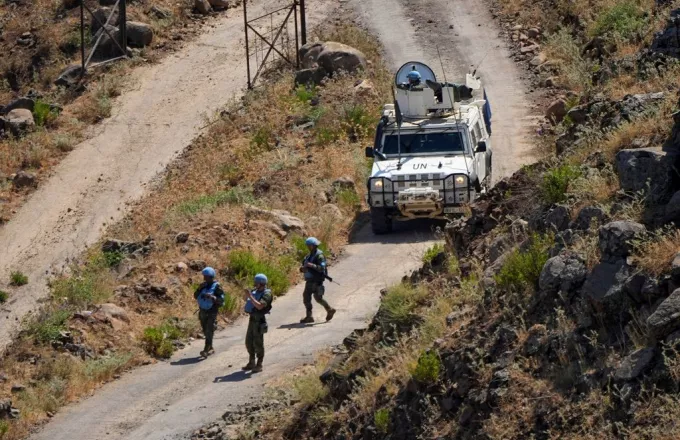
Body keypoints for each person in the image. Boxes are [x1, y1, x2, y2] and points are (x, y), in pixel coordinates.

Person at [299, 237, 336, 324]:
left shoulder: (319, 256)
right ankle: (310, 316)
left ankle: (328, 310)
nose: (308, 247)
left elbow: (321, 268)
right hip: (310, 280)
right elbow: (304, 266)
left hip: (316, 280)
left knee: (316, 298)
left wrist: (311, 265)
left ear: (313, 246)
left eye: (309, 245)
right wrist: (302, 269)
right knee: (308, 298)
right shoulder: (309, 256)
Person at [242, 273, 272, 373]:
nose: (254, 284)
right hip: (252, 319)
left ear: (261, 283)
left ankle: (259, 364)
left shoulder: (267, 294)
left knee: (258, 343)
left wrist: (250, 296)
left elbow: (260, 306)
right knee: (249, 342)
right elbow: (245, 299)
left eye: (256, 283)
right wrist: (247, 294)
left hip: (259, 321)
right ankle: (251, 362)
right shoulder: (255, 292)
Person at [194, 267, 225, 357]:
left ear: (211, 277)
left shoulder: (217, 287)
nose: (204, 278)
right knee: (205, 329)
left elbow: (222, 300)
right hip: (203, 311)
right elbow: (196, 296)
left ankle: (206, 349)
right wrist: (199, 289)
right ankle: (210, 347)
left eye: (206, 277)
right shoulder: (203, 285)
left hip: (212, 311)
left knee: (209, 329)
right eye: (204, 276)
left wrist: (212, 297)